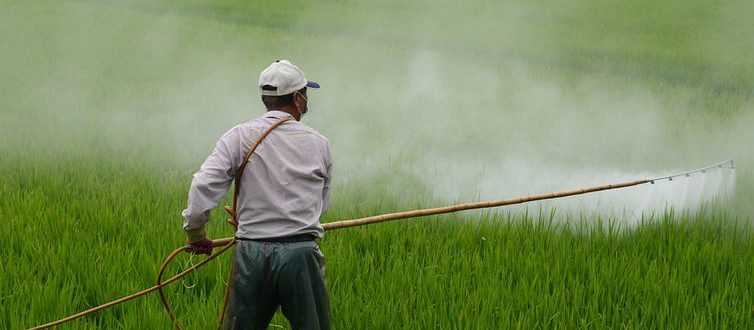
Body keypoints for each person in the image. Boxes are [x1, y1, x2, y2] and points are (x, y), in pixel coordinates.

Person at [181, 60, 332, 329]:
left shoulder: (238, 137)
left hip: (251, 255)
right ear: (297, 98)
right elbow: (320, 206)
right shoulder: (318, 143)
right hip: (301, 256)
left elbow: (203, 185)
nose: (307, 100)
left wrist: (197, 235)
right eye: (305, 94)